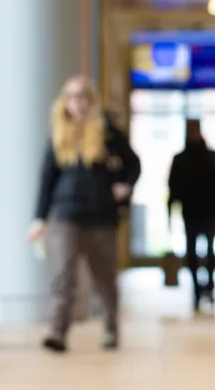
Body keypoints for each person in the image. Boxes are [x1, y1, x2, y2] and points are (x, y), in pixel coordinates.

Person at [27, 75, 141, 353]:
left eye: (82, 97)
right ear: (64, 102)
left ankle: (111, 328)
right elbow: (47, 179)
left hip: (101, 215)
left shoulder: (108, 134)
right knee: (63, 274)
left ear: (91, 102)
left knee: (104, 277)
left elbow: (133, 164)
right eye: (72, 97)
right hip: (66, 214)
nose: (77, 103)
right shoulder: (57, 136)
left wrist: (124, 186)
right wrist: (39, 218)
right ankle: (57, 331)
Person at [167, 119, 215, 311]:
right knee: (192, 254)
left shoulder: (212, 157)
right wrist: (169, 215)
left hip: (210, 213)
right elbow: (173, 188)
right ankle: (196, 291)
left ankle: (210, 289)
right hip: (191, 214)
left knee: (211, 253)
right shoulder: (181, 159)